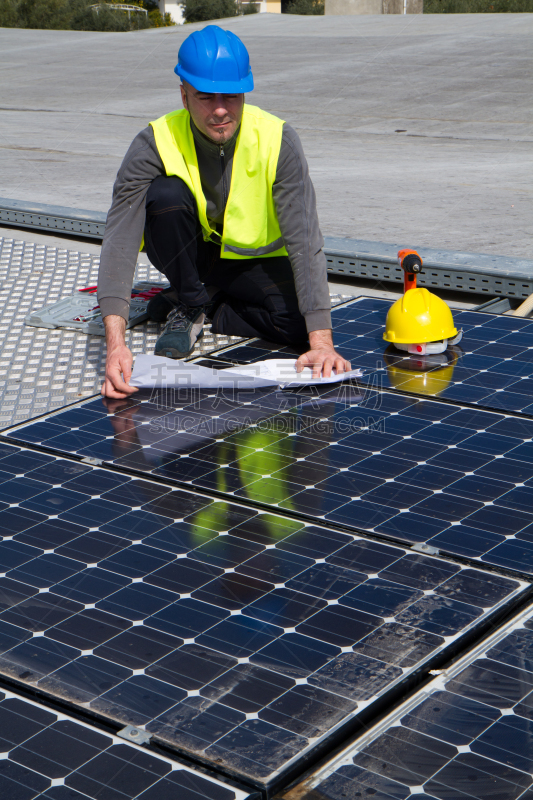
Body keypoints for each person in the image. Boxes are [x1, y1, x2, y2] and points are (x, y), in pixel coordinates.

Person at [98, 24, 350, 399]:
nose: (220, 110)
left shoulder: (278, 140)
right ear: (183, 95)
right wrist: (115, 344)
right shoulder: (153, 142)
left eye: (231, 96)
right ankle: (190, 300)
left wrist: (322, 342)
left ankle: (206, 303)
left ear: (245, 92)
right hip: (191, 253)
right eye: (205, 97)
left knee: (300, 325)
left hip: (251, 260)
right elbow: (119, 241)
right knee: (165, 195)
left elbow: (305, 240)